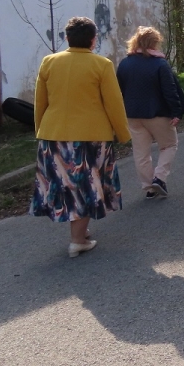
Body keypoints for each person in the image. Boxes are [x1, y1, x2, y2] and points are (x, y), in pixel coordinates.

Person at [30, 16, 130, 258]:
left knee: (65, 186)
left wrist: (41, 129)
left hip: (53, 136)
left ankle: (80, 232)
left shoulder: (49, 62)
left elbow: (40, 102)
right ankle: (77, 240)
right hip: (91, 137)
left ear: (67, 38)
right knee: (87, 186)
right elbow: (114, 103)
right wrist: (122, 133)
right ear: (94, 40)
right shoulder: (101, 65)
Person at [116, 26, 184, 200]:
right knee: (169, 145)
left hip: (133, 115)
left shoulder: (124, 64)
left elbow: (119, 90)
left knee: (141, 153)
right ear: (154, 43)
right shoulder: (159, 64)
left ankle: (149, 187)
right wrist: (176, 111)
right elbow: (170, 90)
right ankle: (159, 178)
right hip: (158, 114)